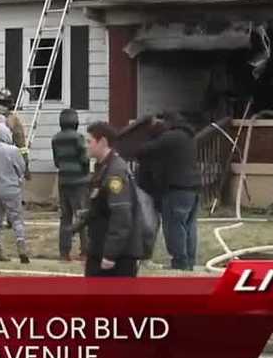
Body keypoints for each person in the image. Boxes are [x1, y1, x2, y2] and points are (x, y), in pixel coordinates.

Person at [136, 112, 200, 270]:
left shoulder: (171, 137)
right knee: (189, 226)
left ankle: (179, 262)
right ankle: (189, 262)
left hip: (176, 189)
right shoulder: (188, 137)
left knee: (174, 226)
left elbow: (143, 150)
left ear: (168, 122)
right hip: (194, 188)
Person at [80, 122, 141, 277]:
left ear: (103, 142)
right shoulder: (103, 168)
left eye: (89, 141)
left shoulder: (115, 172)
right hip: (100, 248)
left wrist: (110, 254)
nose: (86, 146)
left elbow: (121, 214)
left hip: (118, 257)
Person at [0, 122, 30, 264]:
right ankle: (21, 247)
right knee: (16, 218)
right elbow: (21, 168)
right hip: (10, 189)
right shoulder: (12, 150)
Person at [51, 108, 90, 261]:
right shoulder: (78, 137)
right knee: (82, 216)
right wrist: (86, 173)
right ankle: (85, 250)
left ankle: (64, 252)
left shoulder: (55, 139)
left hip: (63, 180)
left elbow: (56, 161)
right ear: (76, 122)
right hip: (79, 181)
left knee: (65, 217)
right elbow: (85, 159)